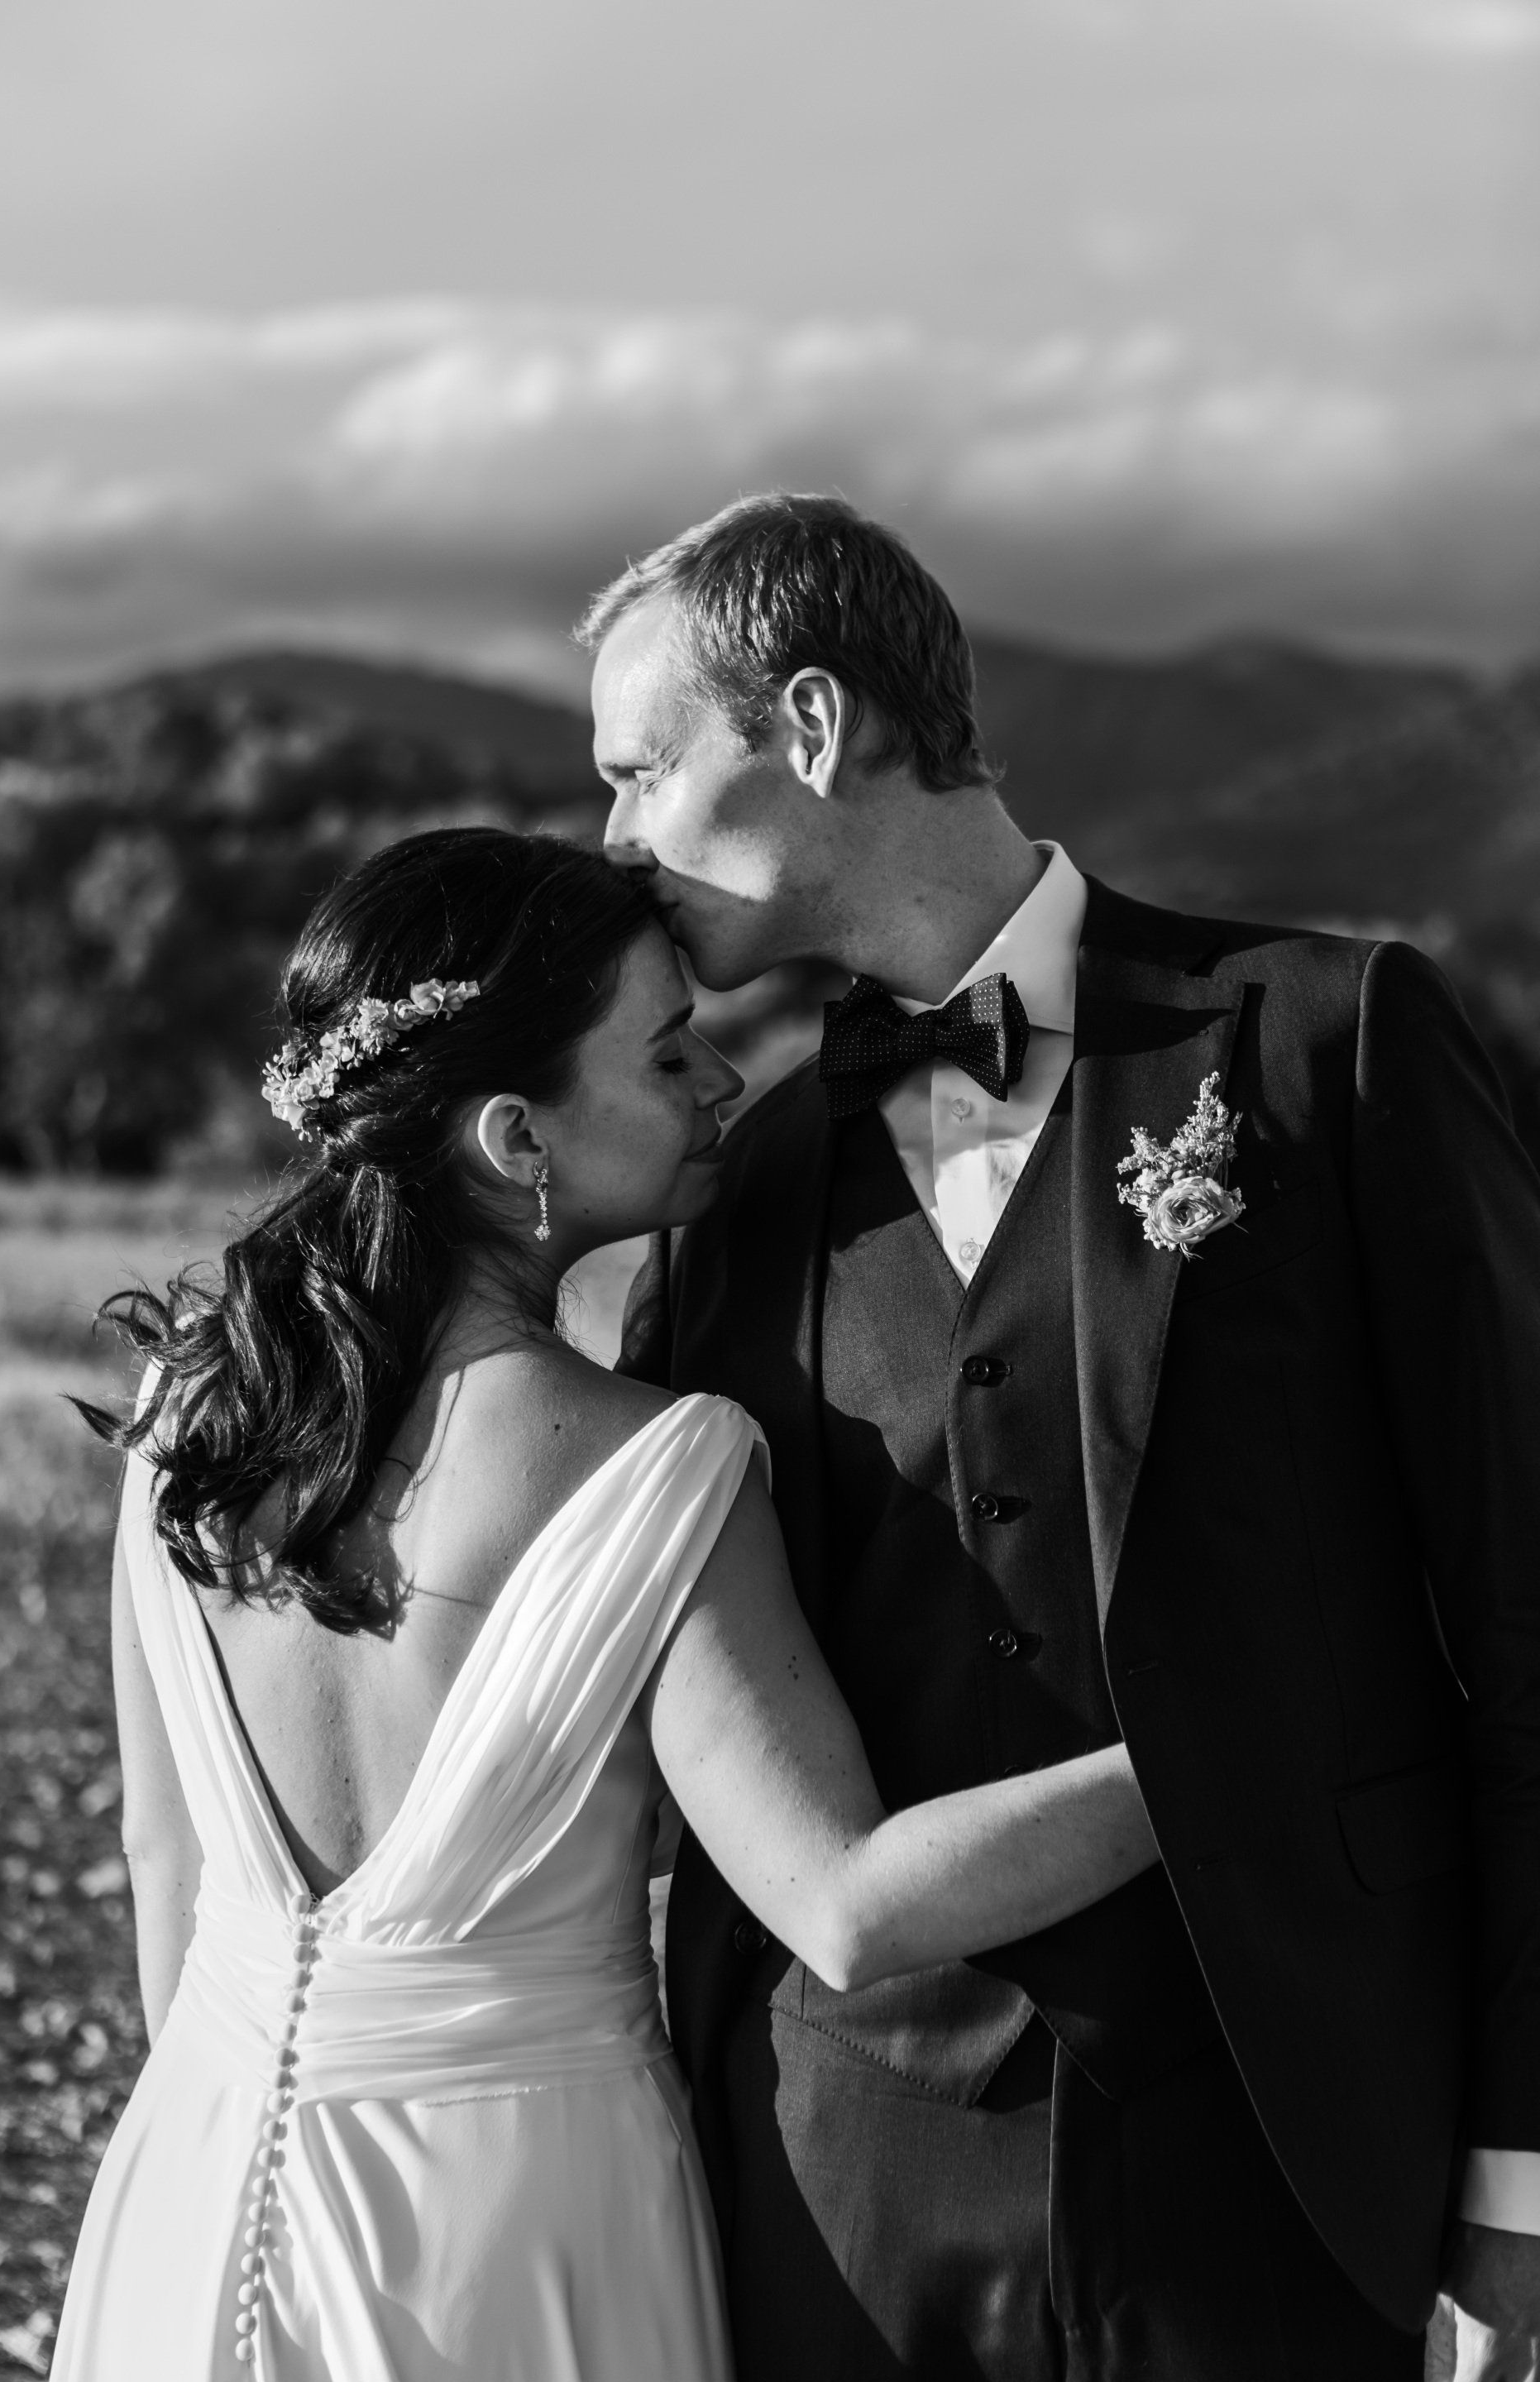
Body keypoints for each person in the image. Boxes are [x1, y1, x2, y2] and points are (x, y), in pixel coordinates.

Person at [587, 491, 1540, 2382]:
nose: (613, 842)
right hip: (834, 2173)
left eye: (637, 771)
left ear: (810, 728)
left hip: (1288, 2146)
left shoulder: (1328, 1047)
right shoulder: (739, 1180)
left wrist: (1517, 2180)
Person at [50, 825, 1160, 2382]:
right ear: (517, 1138)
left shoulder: (186, 1416)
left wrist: (228, 2158)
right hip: (515, 2226)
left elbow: (165, 1861)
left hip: (202, 2176)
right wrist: (1215, 1761)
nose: (721, 1083)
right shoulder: (655, 1467)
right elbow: (847, 1906)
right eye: (667, 1052)